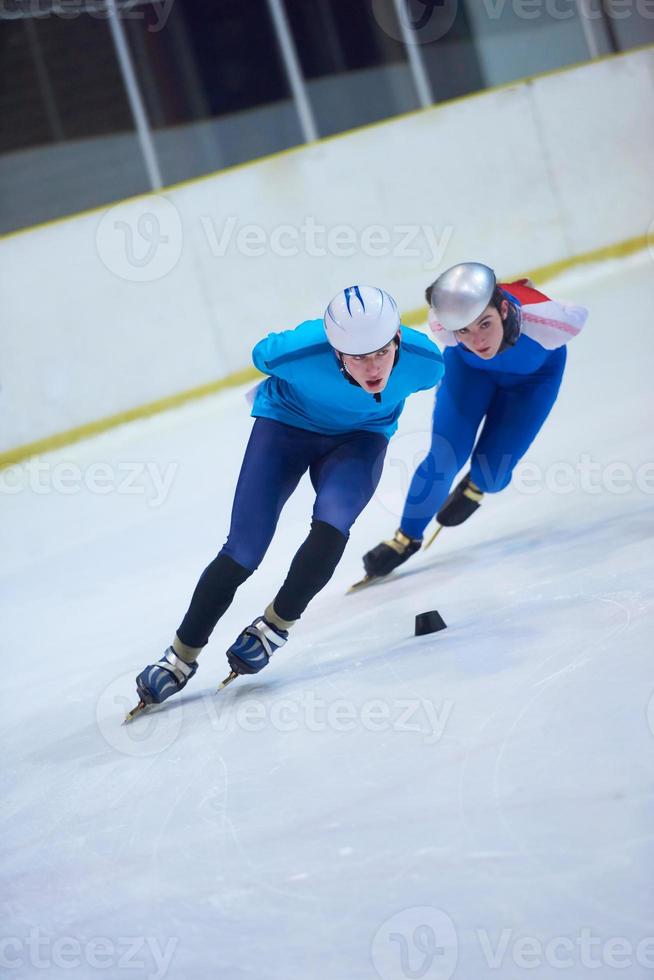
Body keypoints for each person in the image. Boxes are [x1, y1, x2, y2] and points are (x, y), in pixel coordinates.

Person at [132, 285, 443, 709]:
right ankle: (179, 658)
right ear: (334, 351)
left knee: (333, 523)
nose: (373, 367)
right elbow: (262, 353)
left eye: (382, 353)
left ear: (398, 341)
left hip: (360, 440)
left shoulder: (426, 364)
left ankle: (275, 626)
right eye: (356, 357)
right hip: (285, 430)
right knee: (243, 549)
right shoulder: (295, 352)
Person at [361, 262, 588, 582]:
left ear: (505, 310)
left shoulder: (552, 320)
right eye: (463, 330)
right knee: (445, 456)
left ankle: (478, 487)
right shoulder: (441, 323)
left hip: (532, 382)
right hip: (470, 374)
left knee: (492, 474)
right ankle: (405, 539)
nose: (477, 339)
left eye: (485, 324)